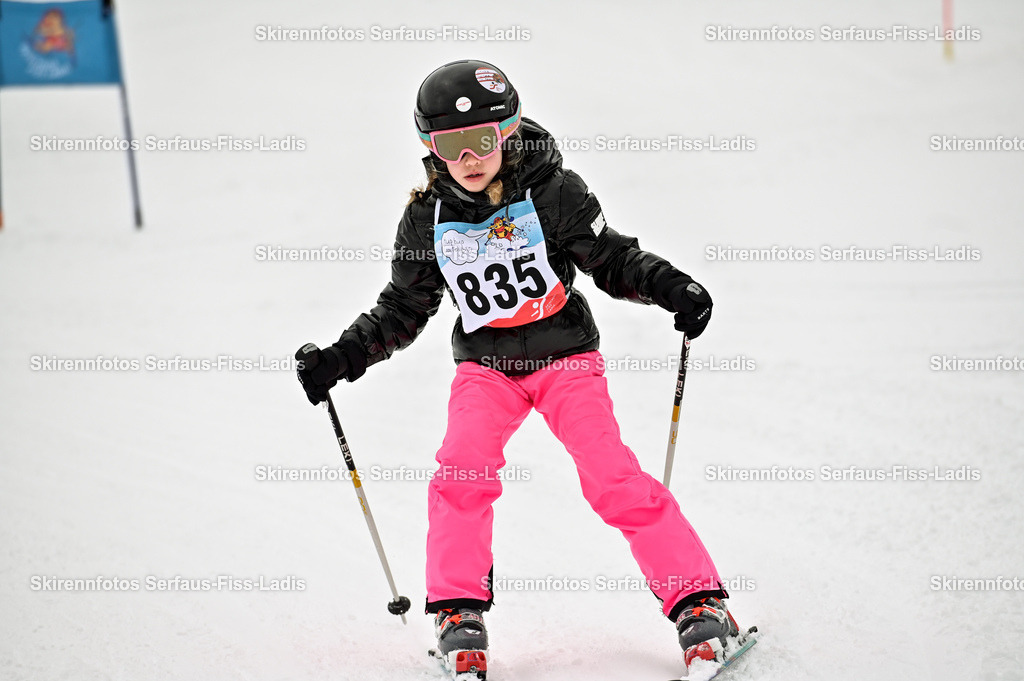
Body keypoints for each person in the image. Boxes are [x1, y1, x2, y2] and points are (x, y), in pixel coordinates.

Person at [297, 59, 744, 678]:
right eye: (452, 145)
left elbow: (611, 258)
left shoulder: (553, 191)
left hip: (566, 359)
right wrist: (343, 357)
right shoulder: (427, 218)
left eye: (482, 141)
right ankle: (458, 613)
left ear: (506, 133)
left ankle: (699, 602)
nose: (469, 158)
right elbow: (403, 307)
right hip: (486, 370)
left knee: (610, 474)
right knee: (461, 471)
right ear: (430, 146)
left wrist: (669, 286)